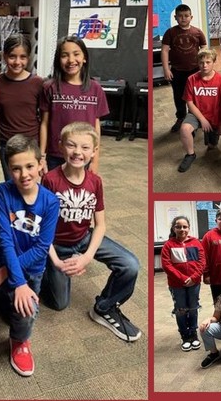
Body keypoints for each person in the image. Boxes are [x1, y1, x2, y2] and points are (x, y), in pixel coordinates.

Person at [40, 122, 142, 342]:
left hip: (84, 238)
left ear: (94, 151)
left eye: (85, 147)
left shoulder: (95, 181)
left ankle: (104, 307)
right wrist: (57, 261)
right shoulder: (50, 180)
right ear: (60, 146)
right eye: (71, 145)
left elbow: (101, 224)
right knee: (59, 304)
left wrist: (85, 258)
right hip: (56, 244)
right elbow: (41, 228)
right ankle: (40, 271)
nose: (78, 152)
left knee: (130, 265)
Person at [0, 133, 59, 377]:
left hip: (32, 269)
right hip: (6, 258)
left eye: (30, 166)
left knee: (26, 310)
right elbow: (6, 239)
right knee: (8, 300)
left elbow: (42, 248)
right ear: (8, 169)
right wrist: (11, 275)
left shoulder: (51, 201)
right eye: (16, 168)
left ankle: (19, 341)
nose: (24, 175)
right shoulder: (3, 191)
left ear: (41, 164)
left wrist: (12, 277)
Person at [39, 36, 109, 171]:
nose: (71, 60)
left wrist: (95, 160)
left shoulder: (95, 88)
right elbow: (44, 124)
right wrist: (42, 157)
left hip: (83, 156)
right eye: (64, 55)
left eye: (76, 54)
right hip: (56, 156)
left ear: (84, 57)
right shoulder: (50, 88)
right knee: (53, 191)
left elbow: (96, 127)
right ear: (58, 60)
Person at [0, 34, 44, 180]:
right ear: (4, 56)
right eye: (12, 56)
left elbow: (45, 118)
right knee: (11, 185)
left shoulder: (38, 84)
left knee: (30, 184)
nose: (17, 62)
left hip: (31, 144)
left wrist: (43, 152)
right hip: (7, 144)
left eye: (23, 57)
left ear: (28, 58)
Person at [177, 49, 221, 172]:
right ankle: (190, 154)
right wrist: (202, 119)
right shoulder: (191, 79)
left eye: (208, 62)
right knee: (185, 129)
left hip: (214, 114)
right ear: (198, 63)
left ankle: (211, 138)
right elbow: (189, 102)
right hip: (196, 113)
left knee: (212, 146)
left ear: (214, 63)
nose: (204, 65)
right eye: (201, 62)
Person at [161, 215, 205, 351]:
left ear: (189, 228)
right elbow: (167, 265)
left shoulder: (196, 243)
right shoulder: (168, 245)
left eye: (185, 227)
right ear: (174, 228)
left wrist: (193, 277)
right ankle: (185, 336)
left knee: (193, 308)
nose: (182, 229)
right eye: (178, 227)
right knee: (181, 309)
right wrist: (182, 278)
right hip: (177, 284)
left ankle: (193, 333)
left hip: (194, 283)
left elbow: (202, 262)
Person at [161, 4, 207, 133]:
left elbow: (204, 48)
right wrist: (166, 69)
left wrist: (203, 66)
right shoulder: (170, 32)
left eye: (186, 16)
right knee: (179, 96)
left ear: (191, 17)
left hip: (195, 70)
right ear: (175, 17)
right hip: (177, 71)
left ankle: (196, 118)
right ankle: (181, 118)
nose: (183, 18)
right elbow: (164, 50)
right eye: (180, 16)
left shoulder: (198, 32)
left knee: (196, 95)